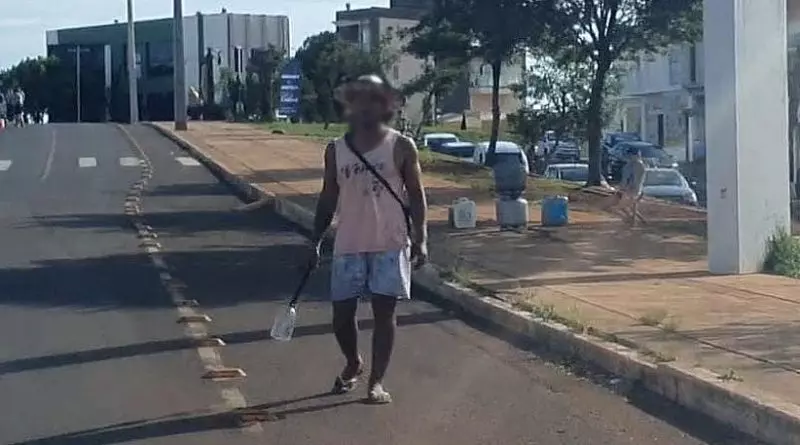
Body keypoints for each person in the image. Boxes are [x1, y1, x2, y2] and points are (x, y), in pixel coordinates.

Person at [309, 74, 428, 405]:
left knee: (384, 315)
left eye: (374, 100)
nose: (366, 106)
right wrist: (315, 240)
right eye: (359, 99)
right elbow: (328, 197)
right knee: (341, 316)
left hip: (390, 242)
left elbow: (416, 194)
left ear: (384, 105)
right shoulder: (336, 150)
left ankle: (376, 382)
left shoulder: (401, 146)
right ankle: (353, 362)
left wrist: (421, 237)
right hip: (349, 242)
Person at [604, 146, 646, 226]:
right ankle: (635, 220)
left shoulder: (639, 166)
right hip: (628, 190)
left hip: (634, 190)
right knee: (629, 207)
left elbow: (636, 181)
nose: (629, 156)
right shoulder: (628, 165)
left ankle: (633, 221)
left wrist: (625, 188)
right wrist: (621, 188)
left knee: (625, 206)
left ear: (636, 155)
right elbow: (625, 179)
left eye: (631, 155)